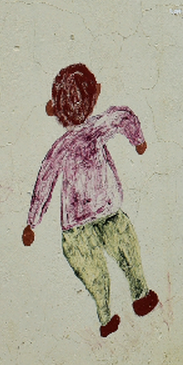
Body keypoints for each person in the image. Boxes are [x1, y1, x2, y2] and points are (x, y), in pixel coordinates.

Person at [23, 63, 158, 338]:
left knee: (93, 270)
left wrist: (32, 223)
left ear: (53, 109)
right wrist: (138, 141)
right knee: (126, 248)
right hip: (107, 210)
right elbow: (124, 117)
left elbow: (44, 184)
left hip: (75, 225)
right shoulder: (97, 127)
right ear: (96, 94)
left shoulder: (60, 147)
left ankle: (106, 315)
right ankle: (140, 294)